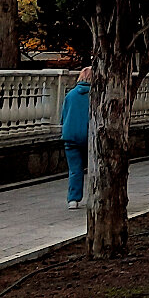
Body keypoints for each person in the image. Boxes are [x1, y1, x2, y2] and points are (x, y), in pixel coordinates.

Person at [61, 67, 92, 208]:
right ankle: (94, 195)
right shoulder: (95, 95)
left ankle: (73, 200)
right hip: (89, 136)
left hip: (70, 137)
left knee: (75, 169)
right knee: (94, 168)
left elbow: (63, 117)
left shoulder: (70, 95)